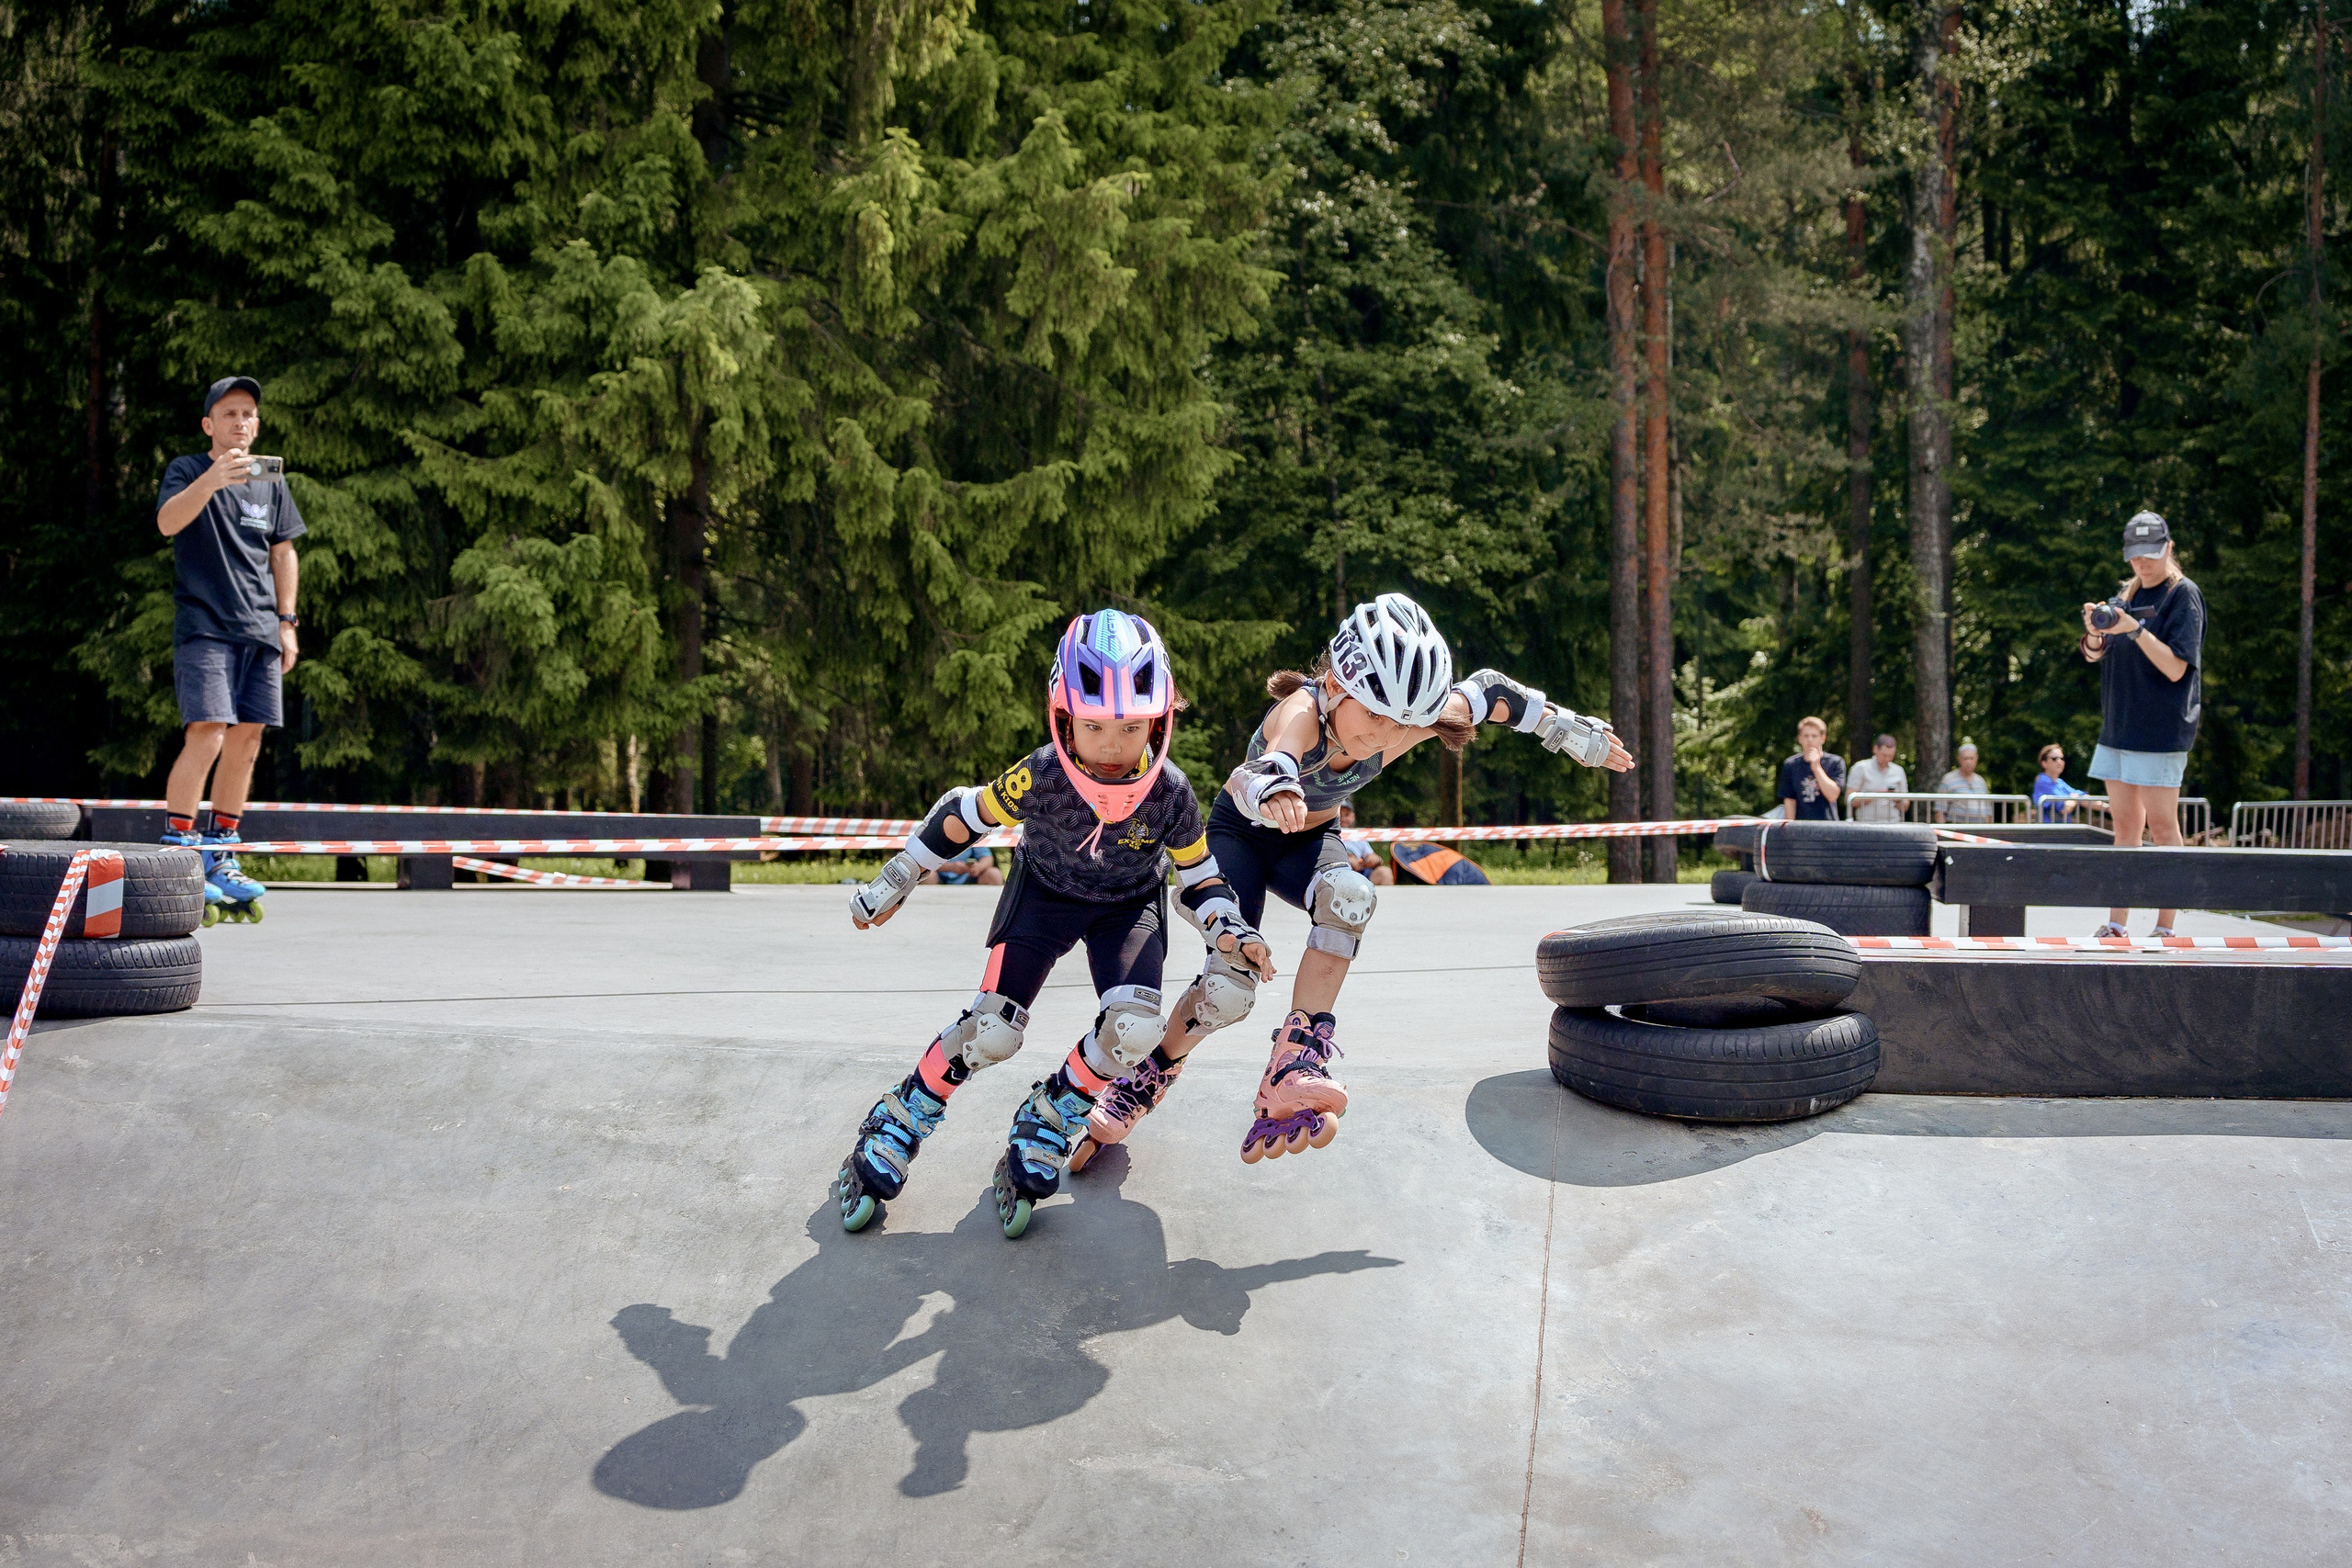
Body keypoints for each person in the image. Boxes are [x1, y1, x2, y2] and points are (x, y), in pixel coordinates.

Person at [1078, 592, 1634, 1167]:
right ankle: (1149, 1075)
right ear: (1339, 687)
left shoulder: (1403, 723)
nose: (1386, 735)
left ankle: (1295, 1059)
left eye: (1402, 723)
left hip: (1310, 843)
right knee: (1227, 992)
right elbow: (1272, 756)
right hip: (1239, 838)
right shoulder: (1301, 707)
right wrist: (1279, 783)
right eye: (1373, 715)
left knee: (1351, 894)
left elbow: (1489, 692)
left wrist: (1566, 728)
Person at [832, 611, 1272, 1239]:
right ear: (1065, 717)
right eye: (1095, 726)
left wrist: (1230, 929)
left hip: (1128, 907)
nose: (1114, 744)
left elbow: (1199, 877)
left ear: (1159, 718)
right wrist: (902, 873)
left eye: (1130, 725)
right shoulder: (1040, 773)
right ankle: (902, 1114)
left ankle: (1054, 1110)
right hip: (1043, 893)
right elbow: (965, 814)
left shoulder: (1172, 793)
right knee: (992, 1030)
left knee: (1136, 1028)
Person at [153, 376, 303, 923]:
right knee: (209, 729)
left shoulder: (270, 480)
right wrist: (212, 481)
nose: (242, 422)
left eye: (249, 414)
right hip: (205, 625)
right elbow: (168, 522)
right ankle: (179, 844)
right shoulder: (189, 470)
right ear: (208, 425)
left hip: (260, 628)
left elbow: (283, 551)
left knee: (248, 738)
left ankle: (222, 851)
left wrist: (287, 621)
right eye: (230, 413)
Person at [2079, 511, 2206, 939]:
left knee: (2163, 825)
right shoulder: (2125, 597)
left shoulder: (2183, 596)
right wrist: (2096, 633)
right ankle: (2116, 923)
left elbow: (2175, 668)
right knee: (2125, 829)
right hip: (2118, 728)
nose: (2143, 564)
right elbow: (2095, 656)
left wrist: (2135, 630)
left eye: (2151, 555)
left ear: (2169, 548)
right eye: (2135, 557)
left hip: (2160, 732)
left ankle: (2166, 926)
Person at [1777, 716, 1845, 821]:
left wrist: (1817, 768)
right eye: (1806, 736)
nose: (1810, 740)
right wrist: (1789, 829)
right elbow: (1789, 800)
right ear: (1800, 739)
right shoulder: (1790, 765)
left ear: (1823, 738)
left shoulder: (1835, 762)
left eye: (1814, 736)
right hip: (1800, 826)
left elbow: (1833, 796)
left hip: (1828, 826)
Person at [1847, 733, 1908, 822]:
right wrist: (1876, 794)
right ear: (1875, 749)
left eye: (1890, 756)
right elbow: (1849, 799)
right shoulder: (1860, 768)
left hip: (1893, 824)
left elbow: (1906, 805)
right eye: (1884, 755)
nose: (1887, 759)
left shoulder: (1899, 771)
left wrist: (1896, 798)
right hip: (1866, 824)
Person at [1935, 742, 1994, 824]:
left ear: (1976, 759)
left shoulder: (1981, 781)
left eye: (1971, 758)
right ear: (1959, 759)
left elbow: (1987, 811)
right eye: (1965, 758)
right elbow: (1940, 810)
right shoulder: (1948, 779)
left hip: (1979, 828)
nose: (1968, 762)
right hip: (1957, 828)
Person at [1336, 802, 1392, 886]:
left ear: (1353, 816)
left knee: (1385, 872)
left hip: (1361, 873)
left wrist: (1375, 860)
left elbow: (1373, 856)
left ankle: (1384, 898)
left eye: (1347, 815)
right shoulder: (1327, 834)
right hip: (1338, 874)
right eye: (1340, 815)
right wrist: (1346, 860)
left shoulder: (1358, 835)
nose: (1343, 819)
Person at [2031, 744, 2087, 820]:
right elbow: (2064, 809)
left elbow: (2083, 798)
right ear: (2044, 763)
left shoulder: (2060, 782)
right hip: (2049, 831)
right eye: (2054, 758)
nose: (2059, 761)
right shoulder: (2042, 783)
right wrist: (2074, 798)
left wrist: (2107, 807)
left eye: (2062, 758)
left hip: (2062, 831)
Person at [922, 842, 1003, 886]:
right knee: (927, 875)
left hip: (968, 877)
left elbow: (987, 858)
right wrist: (949, 867)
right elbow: (924, 862)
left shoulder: (974, 833)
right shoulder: (934, 834)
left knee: (994, 874)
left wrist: (978, 867)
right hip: (940, 877)